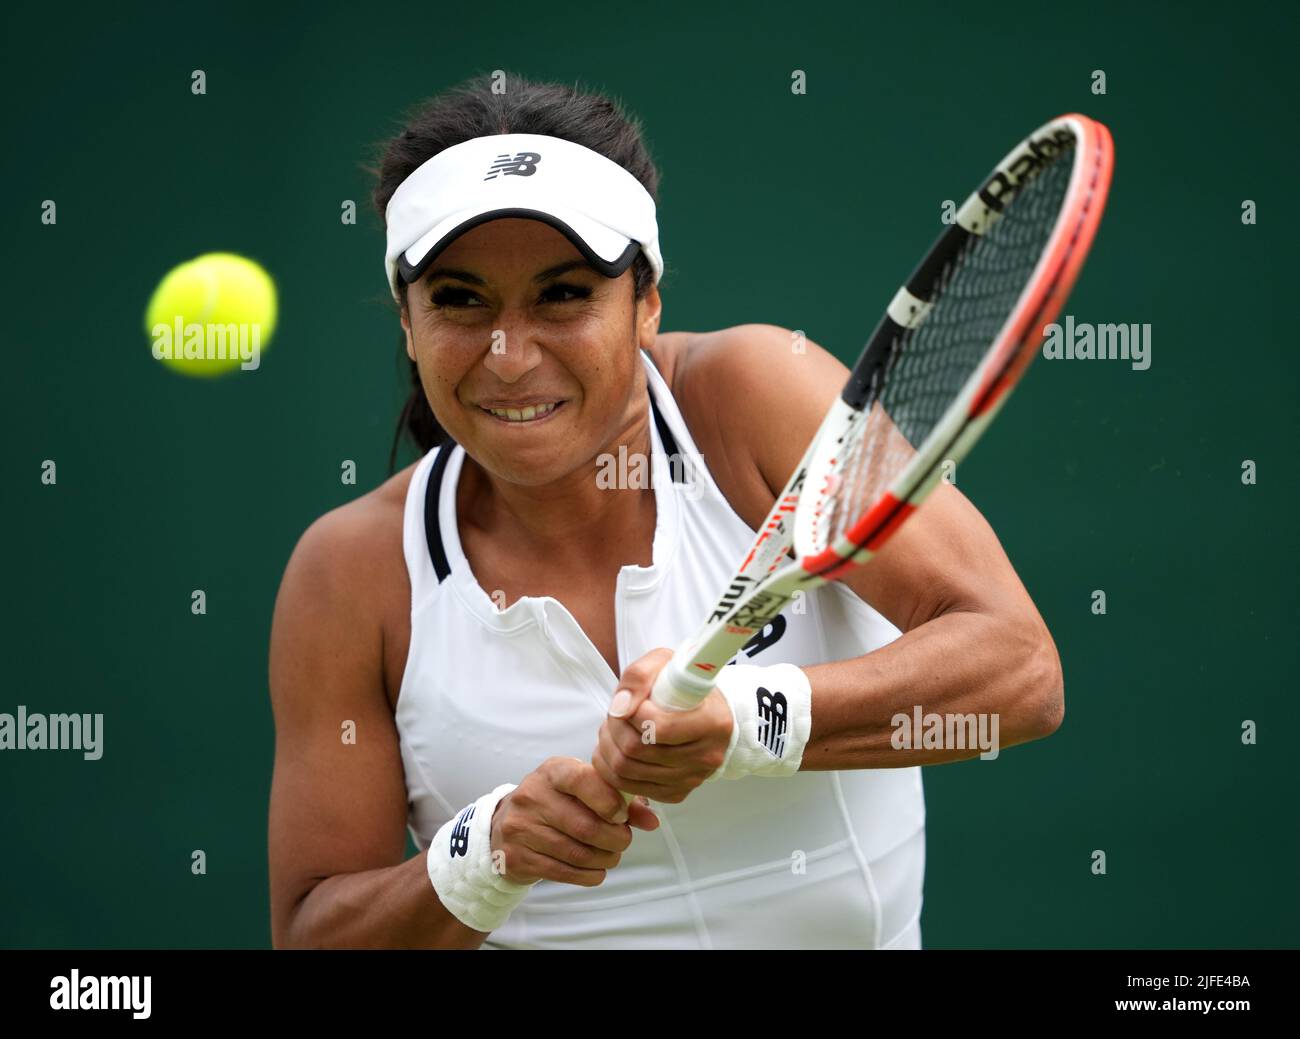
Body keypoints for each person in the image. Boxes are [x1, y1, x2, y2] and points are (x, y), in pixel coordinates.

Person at [268, 74, 1064, 949]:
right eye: (460, 300)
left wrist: (754, 718)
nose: (508, 355)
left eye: (564, 294)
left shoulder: (759, 396)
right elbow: (314, 933)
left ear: (646, 302)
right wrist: (482, 856)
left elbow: (1020, 672)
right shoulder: (347, 572)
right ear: (409, 324)